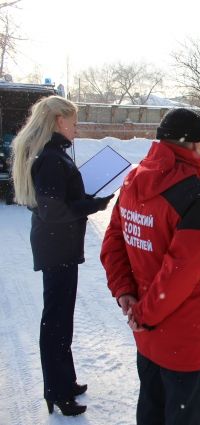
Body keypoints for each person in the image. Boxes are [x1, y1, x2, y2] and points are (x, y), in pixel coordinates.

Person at [101, 108, 200, 423]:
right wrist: (143, 313)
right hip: (184, 341)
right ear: (193, 146)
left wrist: (125, 293)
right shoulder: (195, 196)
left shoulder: (133, 180)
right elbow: (182, 273)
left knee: (152, 413)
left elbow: (114, 241)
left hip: (148, 336)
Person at [11, 95, 113, 416]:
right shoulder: (51, 159)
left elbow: (62, 198)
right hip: (56, 247)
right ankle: (55, 389)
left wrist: (87, 197)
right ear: (59, 121)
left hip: (60, 246)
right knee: (55, 320)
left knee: (61, 318)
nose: (77, 128)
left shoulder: (54, 155)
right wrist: (93, 204)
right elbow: (53, 209)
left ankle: (64, 381)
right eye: (74, 122)